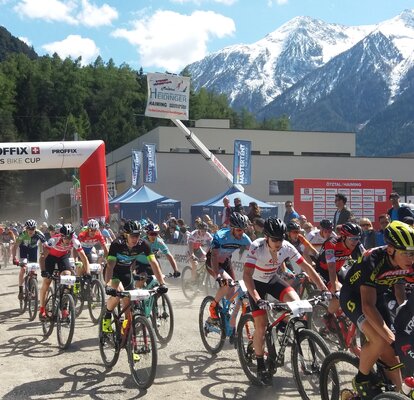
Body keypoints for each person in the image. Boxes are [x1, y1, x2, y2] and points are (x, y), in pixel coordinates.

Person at [243, 217, 329, 385]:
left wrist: (323, 287)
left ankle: (284, 325)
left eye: (281, 238)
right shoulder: (257, 247)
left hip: (272, 279)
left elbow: (306, 267)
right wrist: (258, 299)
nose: (278, 242)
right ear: (266, 237)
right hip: (256, 284)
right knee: (261, 326)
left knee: (299, 305)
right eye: (274, 239)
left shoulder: (287, 247)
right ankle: (261, 365)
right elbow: (246, 275)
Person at [340, 221, 414, 398]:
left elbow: (399, 289)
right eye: (407, 254)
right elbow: (367, 306)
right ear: (390, 250)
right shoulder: (372, 260)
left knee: (394, 357)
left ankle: (396, 394)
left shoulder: (407, 263)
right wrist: (391, 337)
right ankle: (361, 379)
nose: (411, 258)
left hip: (377, 296)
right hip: (354, 297)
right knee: (381, 340)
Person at [102, 220, 167, 333]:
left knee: (128, 306)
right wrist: (107, 284)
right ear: (126, 234)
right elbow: (110, 265)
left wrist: (162, 283)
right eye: (132, 236)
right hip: (114, 272)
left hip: (126, 272)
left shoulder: (143, 244)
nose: (135, 239)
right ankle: (107, 316)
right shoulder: (117, 244)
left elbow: (153, 262)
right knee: (118, 294)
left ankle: (126, 337)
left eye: (137, 235)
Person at [208, 212, 252, 336]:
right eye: (238, 230)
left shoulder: (244, 238)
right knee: (227, 284)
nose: (241, 233)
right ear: (232, 228)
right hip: (213, 261)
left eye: (243, 230)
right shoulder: (220, 236)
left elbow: (256, 253)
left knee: (232, 295)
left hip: (226, 261)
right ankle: (213, 306)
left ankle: (228, 321)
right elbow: (214, 256)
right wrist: (217, 275)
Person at [39, 224, 90, 320]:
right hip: (50, 258)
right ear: (61, 236)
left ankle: (64, 307)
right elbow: (42, 258)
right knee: (47, 281)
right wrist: (43, 271)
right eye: (65, 238)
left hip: (63, 257)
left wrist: (87, 273)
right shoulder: (53, 240)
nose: (68, 240)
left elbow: (84, 258)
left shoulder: (75, 241)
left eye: (69, 237)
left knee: (68, 278)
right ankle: (42, 309)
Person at [315, 222, 365, 320]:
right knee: (340, 294)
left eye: (357, 238)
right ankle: (328, 317)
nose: (355, 242)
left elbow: (367, 258)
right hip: (324, 270)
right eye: (352, 239)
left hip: (338, 269)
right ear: (343, 237)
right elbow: (331, 268)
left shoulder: (356, 244)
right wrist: (336, 289)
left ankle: (343, 314)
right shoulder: (331, 244)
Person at [12, 219, 47, 300]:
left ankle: (33, 288)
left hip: (33, 251)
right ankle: (21, 290)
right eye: (29, 229)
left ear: (35, 228)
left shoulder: (39, 234)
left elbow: (46, 246)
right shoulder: (22, 234)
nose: (31, 230)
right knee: (23, 269)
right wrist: (14, 258)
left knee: (33, 271)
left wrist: (45, 256)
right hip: (23, 250)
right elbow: (15, 246)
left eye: (33, 228)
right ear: (26, 228)